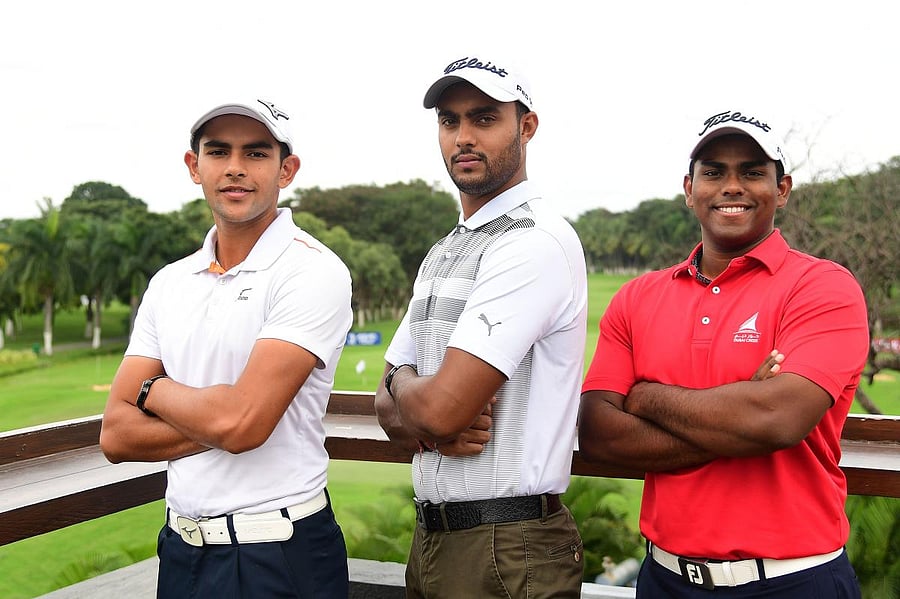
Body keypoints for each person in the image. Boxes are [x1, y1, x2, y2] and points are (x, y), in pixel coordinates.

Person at [579, 109, 869, 597]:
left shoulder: (823, 287)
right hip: (665, 579)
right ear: (689, 188)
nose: (731, 186)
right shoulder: (638, 297)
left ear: (782, 189)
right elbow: (598, 432)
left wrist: (647, 398)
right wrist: (738, 416)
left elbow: (776, 421)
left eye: (752, 172)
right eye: (713, 172)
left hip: (793, 580)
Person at [99, 98, 353, 598]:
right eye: (218, 152)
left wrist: (151, 390)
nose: (235, 168)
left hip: (276, 550)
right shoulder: (170, 282)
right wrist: (229, 414)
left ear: (288, 169)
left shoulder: (312, 270)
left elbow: (240, 426)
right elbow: (116, 434)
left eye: (256, 153)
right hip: (180, 547)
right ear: (195, 166)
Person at [374, 54, 588, 598]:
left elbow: (442, 408)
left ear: (527, 126)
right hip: (437, 537)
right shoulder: (446, 249)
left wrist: (410, 389)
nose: (463, 136)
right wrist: (414, 398)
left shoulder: (533, 240)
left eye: (484, 118)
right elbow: (387, 410)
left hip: (508, 543)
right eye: (450, 120)